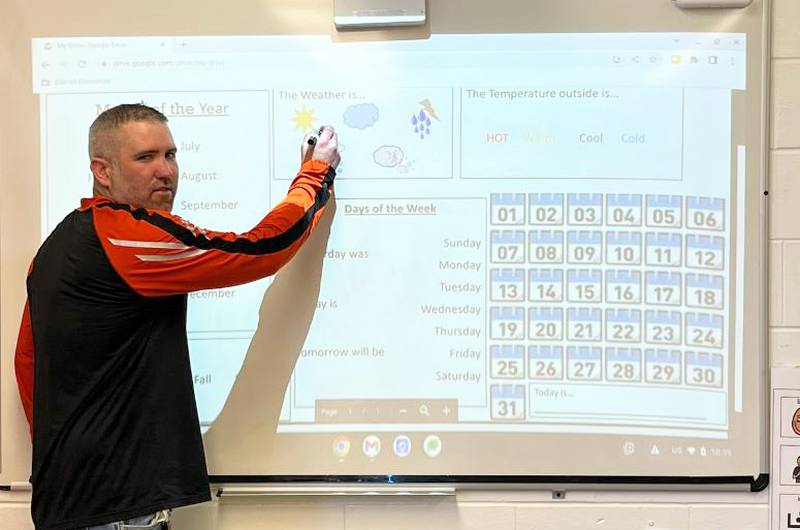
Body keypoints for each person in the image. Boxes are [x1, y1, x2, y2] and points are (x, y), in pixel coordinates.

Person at [13, 103, 340, 530]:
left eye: (171, 155)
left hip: (78, 504)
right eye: (145, 158)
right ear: (102, 170)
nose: (165, 171)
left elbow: (28, 365)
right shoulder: (122, 234)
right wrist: (314, 175)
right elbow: (259, 250)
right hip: (114, 512)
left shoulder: (59, 244)